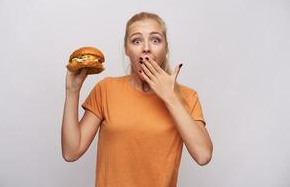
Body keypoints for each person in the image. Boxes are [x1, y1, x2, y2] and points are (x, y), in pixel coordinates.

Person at [61, 11, 213, 187]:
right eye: (136, 41)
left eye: (155, 40)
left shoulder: (187, 96)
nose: (146, 48)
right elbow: (71, 152)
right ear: (126, 49)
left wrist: (170, 97)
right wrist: (72, 91)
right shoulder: (106, 89)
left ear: (166, 48)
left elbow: (203, 155)